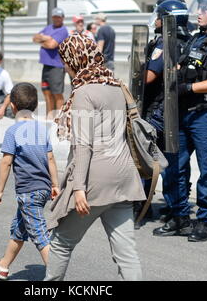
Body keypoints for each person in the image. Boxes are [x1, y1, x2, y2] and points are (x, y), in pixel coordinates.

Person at [45, 34, 145, 281]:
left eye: (65, 61)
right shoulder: (115, 85)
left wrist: (78, 188)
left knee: (61, 243)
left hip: (95, 181)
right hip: (124, 177)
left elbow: (83, 144)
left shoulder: (84, 92)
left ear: (75, 59)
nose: (65, 66)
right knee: (126, 253)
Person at [153, 0, 207, 242]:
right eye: (198, 7)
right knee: (174, 166)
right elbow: (180, 67)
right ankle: (179, 216)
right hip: (183, 112)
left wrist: (189, 87)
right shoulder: (195, 39)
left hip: (205, 115)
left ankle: (204, 220)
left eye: (205, 8)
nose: (199, 12)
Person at [0, 82, 60, 280]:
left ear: (12, 107)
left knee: (39, 234)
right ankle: (3, 266)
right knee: (19, 228)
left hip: (28, 192)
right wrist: (55, 185)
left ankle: (57, 275)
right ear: (35, 106)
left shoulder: (13, 132)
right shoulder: (42, 129)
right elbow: (50, 158)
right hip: (43, 188)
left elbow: (6, 163)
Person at [136, 0, 192, 226]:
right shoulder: (185, 41)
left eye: (160, 16)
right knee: (171, 160)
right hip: (169, 108)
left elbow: (147, 77)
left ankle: (143, 205)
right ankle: (173, 205)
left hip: (157, 110)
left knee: (146, 156)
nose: (156, 20)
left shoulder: (165, 44)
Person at [32, 7, 69, 120]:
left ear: (62, 18)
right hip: (46, 65)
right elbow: (34, 38)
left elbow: (52, 45)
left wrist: (42, 40)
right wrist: (45, 38)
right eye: (54, 17)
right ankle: (49, 117)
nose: (56, 19)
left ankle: (59, 118)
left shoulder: (63, 31)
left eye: (59, 17)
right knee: (46, 92)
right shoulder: (49, 28)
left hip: (56, 66)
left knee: (57, 93)